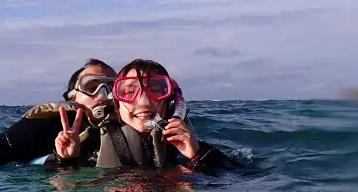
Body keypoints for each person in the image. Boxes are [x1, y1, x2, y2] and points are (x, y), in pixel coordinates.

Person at [44, 59, 242, 171]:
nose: (143, 101)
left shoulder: (186, 146)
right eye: (129, 91)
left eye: (156, 90)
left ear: (170, 101)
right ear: (117, 102)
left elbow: (239, 179)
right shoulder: (93, 142)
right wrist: (65, 160)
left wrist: (198, 156)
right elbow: (54, 183)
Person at [0, 59, 118, 165]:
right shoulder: (40, 127)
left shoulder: (130, 127)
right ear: (72, 97)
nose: (102, 95)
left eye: (111, 88)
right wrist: (64, 159)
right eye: (91, 88)